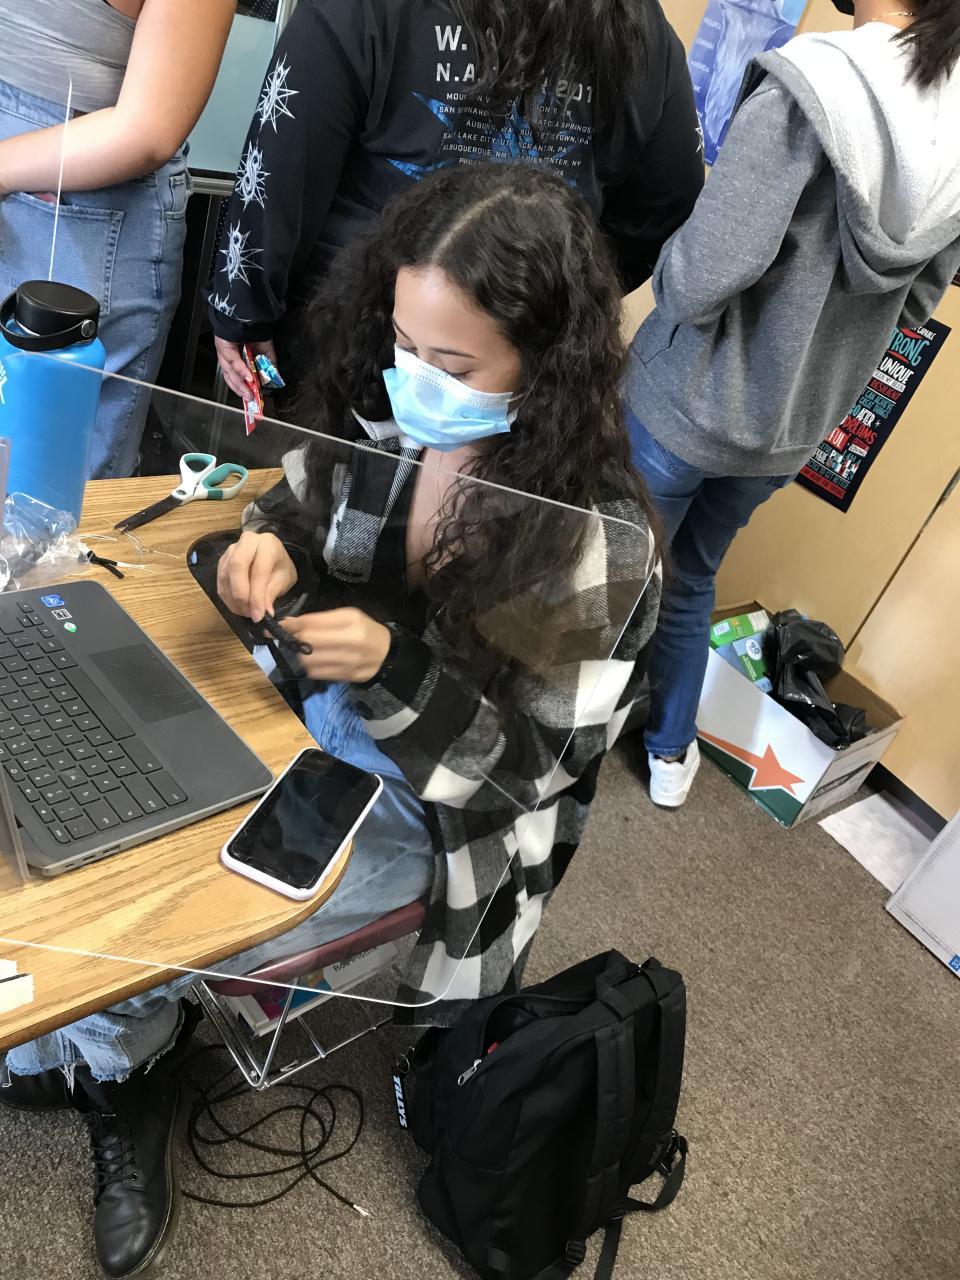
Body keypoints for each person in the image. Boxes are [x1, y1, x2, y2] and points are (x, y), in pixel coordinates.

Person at [0, 165, 661, 1279]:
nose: (416, 380)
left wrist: (392, 664)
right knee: (108, 808)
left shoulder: (593, 547)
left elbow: (520, 774)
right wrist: (254, 552)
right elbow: (278, 513)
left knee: (172, 903)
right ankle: (115, 1032)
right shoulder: (392, 422)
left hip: (450, 814)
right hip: (312, 706)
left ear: (545, 368)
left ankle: (127, 1073)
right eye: (403, 341)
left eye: (454, 366)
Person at [624, 0, 960, 808]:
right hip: (792, 430)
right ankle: (668, 756)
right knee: (689, 575)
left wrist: (664, 283)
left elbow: (705, 273)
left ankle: (552, 736)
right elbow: (918, 304)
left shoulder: (815, 85)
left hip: (685, 403)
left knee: (609, 567)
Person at [209, 0, 705, 400]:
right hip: (522, 363)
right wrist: (548, 295)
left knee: (325, 484)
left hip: (363, 340)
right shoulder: (642, 26)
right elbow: (664, 205)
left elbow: (282, 165)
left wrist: (243, 309)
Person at [0, 0, 234, 477]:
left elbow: (148, 130)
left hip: (73, 193)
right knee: (53, 493)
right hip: (63, 200)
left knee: (52, 489)